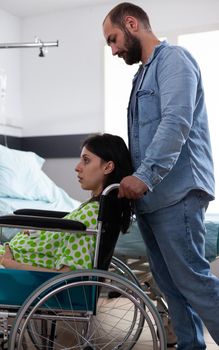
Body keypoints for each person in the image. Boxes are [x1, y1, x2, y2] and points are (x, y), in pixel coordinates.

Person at [103, 3, 219, 350]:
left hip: (176, 192)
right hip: (151, 199)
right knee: (170, 286)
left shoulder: (174, 61)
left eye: (113, 39)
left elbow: (175, 122)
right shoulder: (141, 76)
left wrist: (145, 176)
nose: (113, 50)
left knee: (193, 281)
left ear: (131, 23)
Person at [0, 133, 132, 273]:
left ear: (108, 167)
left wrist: (11, 264)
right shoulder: (93, 209)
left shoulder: (91, 214)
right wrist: (36, 233)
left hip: (13, 273)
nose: (77, 167)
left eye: (86, 160)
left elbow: (67, 275)